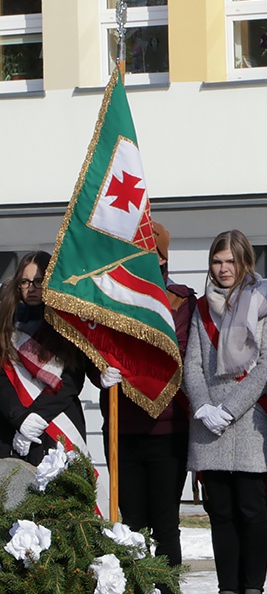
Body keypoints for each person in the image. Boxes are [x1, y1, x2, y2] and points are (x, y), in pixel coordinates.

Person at [183, 229, 267, 594]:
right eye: (217, 261)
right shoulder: (200, 307)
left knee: (252, 511)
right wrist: (203, 408)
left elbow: (266, 366)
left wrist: (229, 409)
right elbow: (192, 365)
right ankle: (227, 587)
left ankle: (253, 588)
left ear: (246, 262)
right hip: (208, 425)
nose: (224, 268)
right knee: (221, 515)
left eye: (231, 261)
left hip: (250, 421)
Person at [97, 222, 196, 594]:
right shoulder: (109, 297)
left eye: (148, 254)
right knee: (133, 525)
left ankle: (167, 589)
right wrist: (100, 371)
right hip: (122, 428)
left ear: (162, 257)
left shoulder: (180, 301)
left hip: (167, 428)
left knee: (165, 523)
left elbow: (180, 353)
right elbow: (96, 344)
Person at [0, 251, 88, 465]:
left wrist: (35, 419)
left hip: (57, 421)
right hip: (11, 424)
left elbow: (71, 380)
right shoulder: (4, 324)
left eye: (39, 281)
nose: (31, 288)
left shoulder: (68, 323)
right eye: (25, 281)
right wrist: (20, 419)